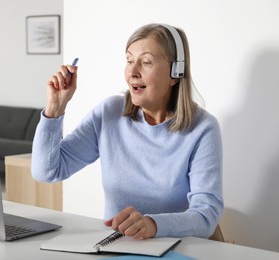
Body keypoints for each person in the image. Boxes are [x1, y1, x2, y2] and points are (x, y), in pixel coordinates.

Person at [31, 23, 223, 240]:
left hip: (175, 249)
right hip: (115, 247)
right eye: (129, 60)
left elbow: (206, 216)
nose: (132, 72)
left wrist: (153, 225)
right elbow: (46, 171)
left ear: (175, 73)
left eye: (146, 62)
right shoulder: (109, 113)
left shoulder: (203, 128)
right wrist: (55, 109)